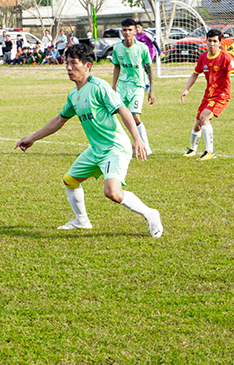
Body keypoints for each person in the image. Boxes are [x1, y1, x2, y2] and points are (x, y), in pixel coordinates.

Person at [15, 43, 163, 238]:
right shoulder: (74, 95)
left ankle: (151, 214)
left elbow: (122, 109)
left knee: (112, 192)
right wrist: (32, 138)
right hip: (95, 149)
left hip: (114, 147)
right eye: (66, 63)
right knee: (70, 180)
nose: (68, 68)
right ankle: (82, 221)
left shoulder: (98, 86)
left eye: (73, 64)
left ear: (87, 66)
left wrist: (137, 138)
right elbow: (60, 120)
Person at [181, 28, 234, 160]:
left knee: (204, 118)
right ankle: (193, 149)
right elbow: (195, 74)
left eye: (215, 41)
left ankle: (210, 152)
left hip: (222, 95)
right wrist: (186, 89)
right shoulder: (203, 57)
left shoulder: (225, 57)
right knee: (198, 123)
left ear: (220, 43)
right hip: (208, 95)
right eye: (209, 41)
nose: (212, 44)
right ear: (206, 41)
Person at [112, 18, 154, 155]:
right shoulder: (117, 48)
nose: (127, 32)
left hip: (137, 85)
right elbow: (117, 66)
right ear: (121, 31)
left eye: (130, 29)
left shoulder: (142, 48)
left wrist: (151, 90)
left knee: (135, 116)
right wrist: (113, 86)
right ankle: (116, 146)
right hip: (122, 86)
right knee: (113, 114)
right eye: (124, 30)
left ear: (135, 31)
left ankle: (145, 147)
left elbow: (149, 68)